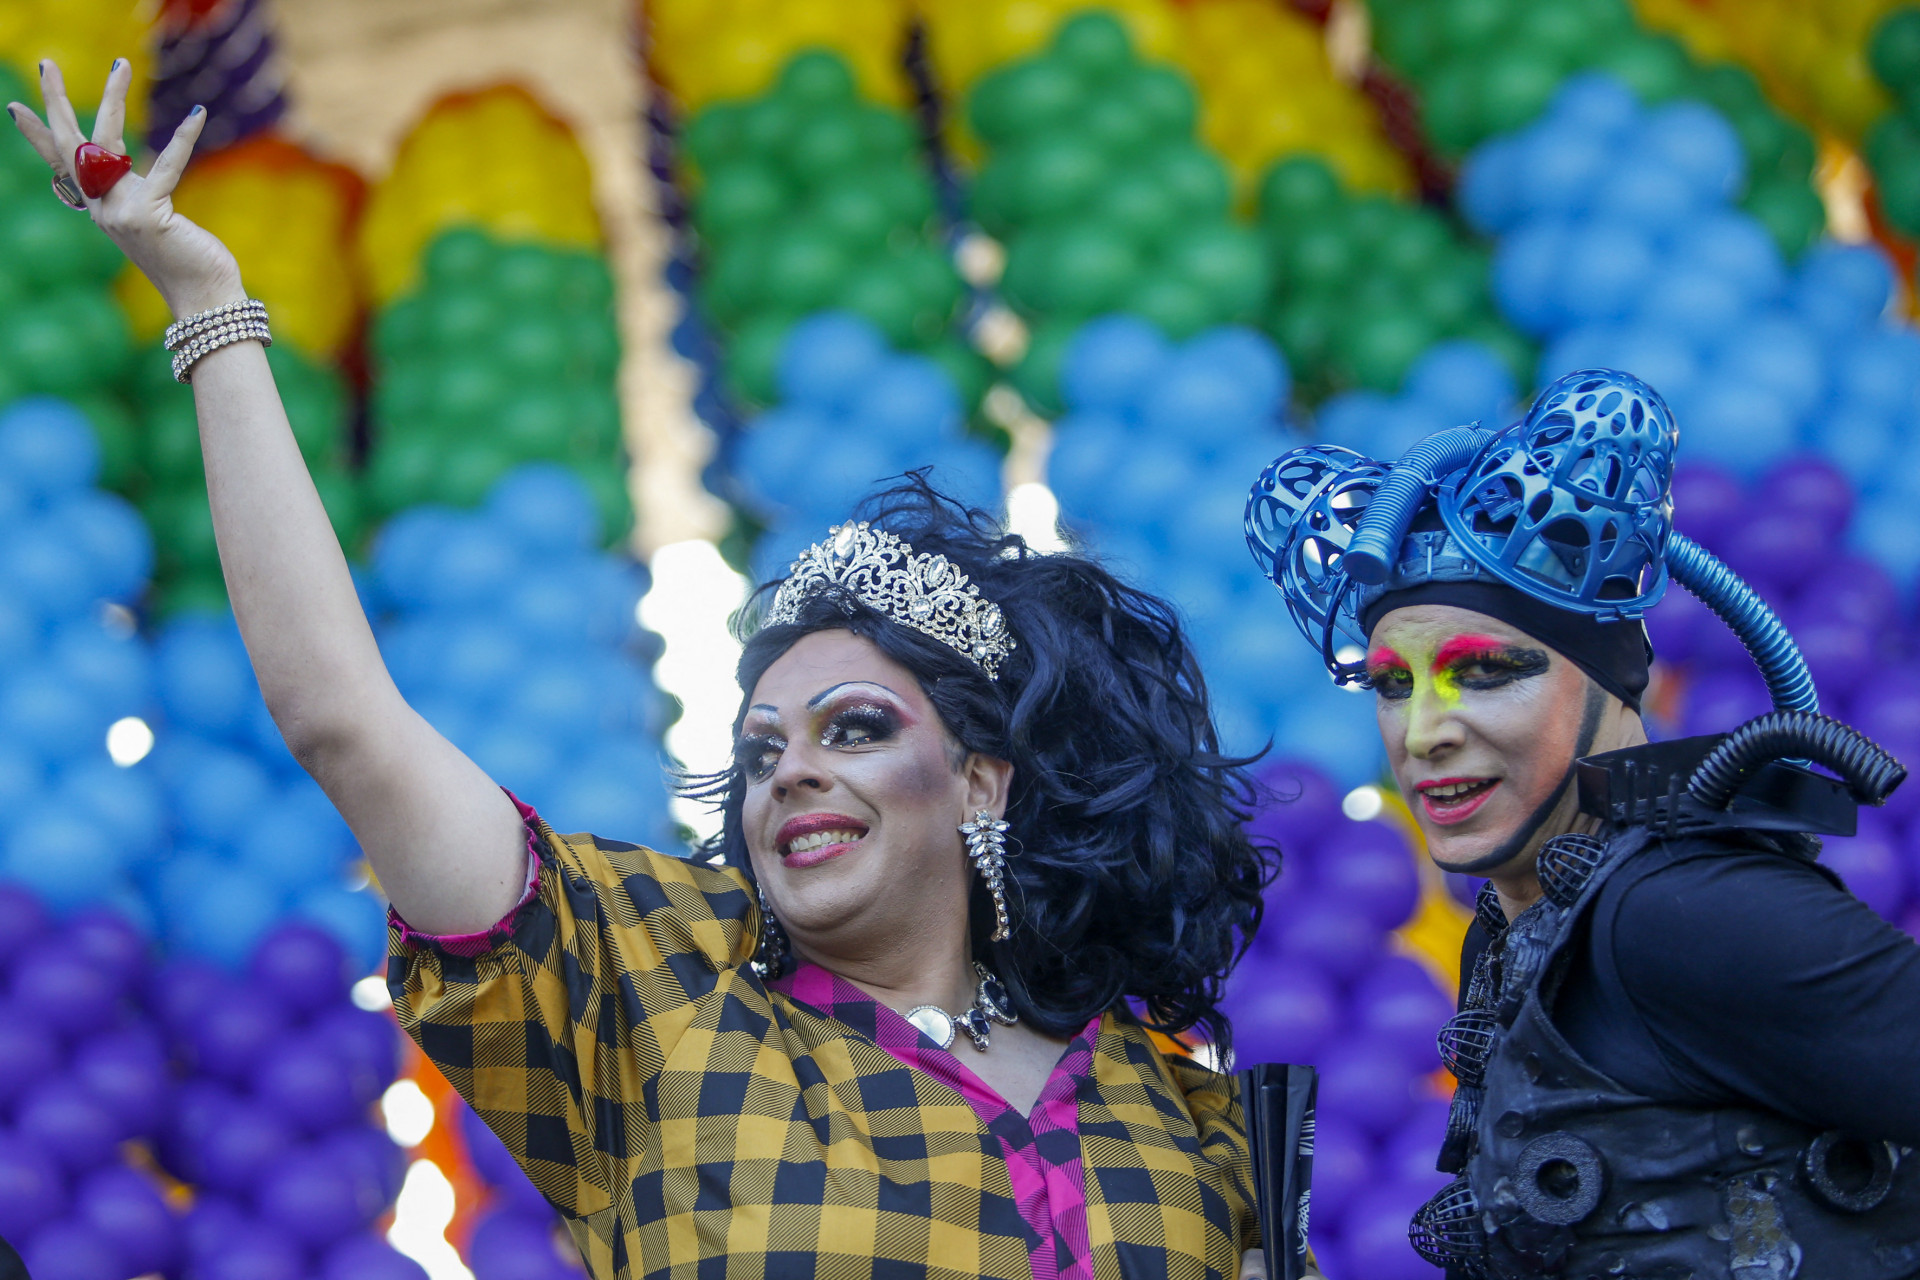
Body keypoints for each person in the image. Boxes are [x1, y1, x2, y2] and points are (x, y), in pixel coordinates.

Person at [11, 66, 1281, 1279]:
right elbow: (342, 718)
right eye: (760, 749)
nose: (789, 773)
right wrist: (209, 306)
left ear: (983, 782)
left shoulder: (1182, 1111)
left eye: (852, 726)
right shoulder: (654, 999)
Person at [1245, 367, 1920, 1278]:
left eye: (1485, 672)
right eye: (1394, 685)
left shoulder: (1680, 915)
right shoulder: (1525, 930)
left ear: (1606, 683)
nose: (1424, 732)